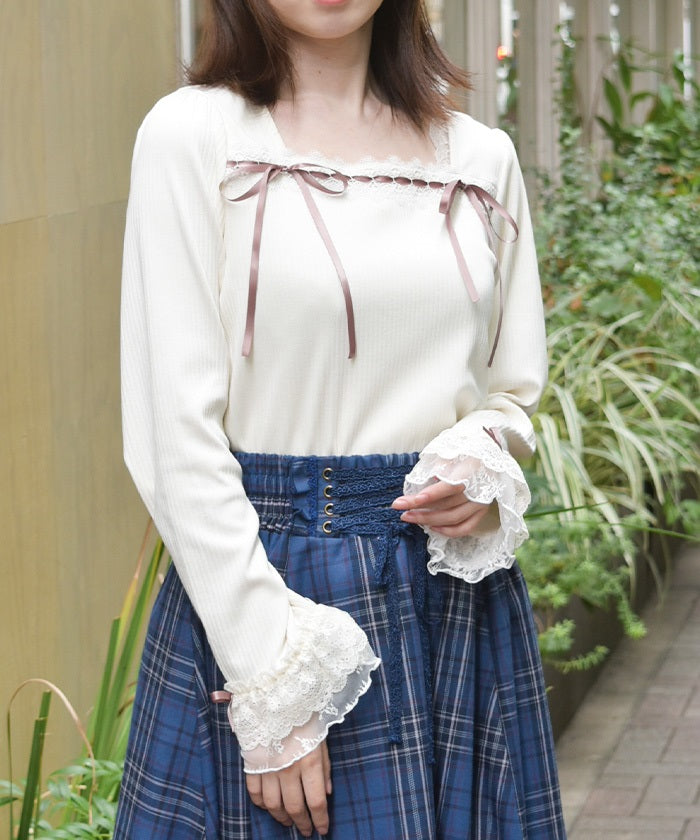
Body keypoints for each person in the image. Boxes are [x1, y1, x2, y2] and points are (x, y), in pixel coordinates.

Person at [114, 0, 567, 837]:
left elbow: (511, 393)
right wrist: (273, 684)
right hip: (268, 584)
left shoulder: (479, 156)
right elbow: (171, 433)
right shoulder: (195, 136)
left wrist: (481, 465)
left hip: (451, 599)